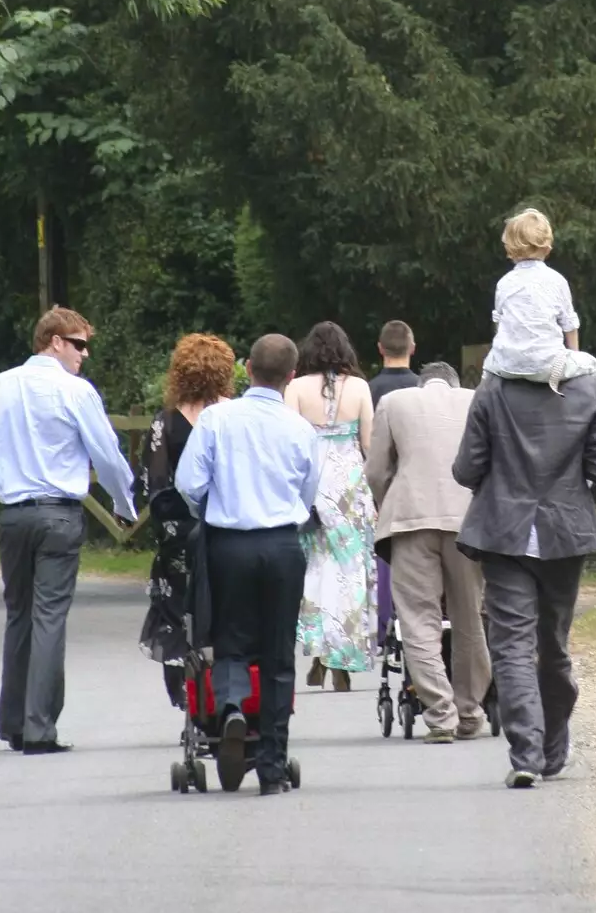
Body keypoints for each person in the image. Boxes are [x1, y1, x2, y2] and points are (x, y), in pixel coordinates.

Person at [0, 306, 136, 754]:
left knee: (19, 614)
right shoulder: (76, 392)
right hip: (60, 515)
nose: (84, 355)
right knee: (49, 618)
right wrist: (124, 505)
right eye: (78, 344)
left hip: (14, 518)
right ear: (54, 341)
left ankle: (12, 722)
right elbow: (108, 455)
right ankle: (40, 727)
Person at [453, 371, 596, 787]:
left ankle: (526, 756)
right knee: (553, 644)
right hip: (565, 530)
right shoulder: (584, 387)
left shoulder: (493, 387)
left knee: (512, 645)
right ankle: (554, 750)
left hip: (505, 531)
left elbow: (467, 468)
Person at [175, 333, 317, 794]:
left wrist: (212, 509)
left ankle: (231, 707)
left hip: (229, 544)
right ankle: (272, 767)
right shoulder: (300, 429)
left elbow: (188, 483)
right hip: (281, 545)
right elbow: (307, 495)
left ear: (247, 370)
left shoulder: (217, 419)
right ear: (291, 377)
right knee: (277, 654)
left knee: (230, 638)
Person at [365, 362, 491, 743]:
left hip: (411, 521)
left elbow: (375, 471)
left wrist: (390, 504)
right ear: (453, 384)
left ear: (422, 384)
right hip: (468, 521)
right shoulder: (478, 400)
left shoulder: (393, 402)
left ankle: (440, 714)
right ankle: (470, 710)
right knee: (470, 616)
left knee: (419, 618)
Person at [137, 333, 235, 707]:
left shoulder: (165, 423)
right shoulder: (231, 417)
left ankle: (186, 699)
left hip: (179, 533)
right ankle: (220, 695)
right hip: (224, 527)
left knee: (177, 613)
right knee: (222, 610)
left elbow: (154, 483)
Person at [287, 321, 377, 690]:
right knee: (350, 569)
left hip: (311, 481)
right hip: (349, 481)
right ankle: (343, 654)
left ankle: (320, 650)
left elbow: (289, 442)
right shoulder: (358, 387)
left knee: (314, 566)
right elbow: (369, 444)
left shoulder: (294, 388)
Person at [482, 207, 596, 392]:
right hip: (549, 367)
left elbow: (499, 327)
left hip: (508, 366)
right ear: (547, 246)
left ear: (510, 246)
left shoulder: (504, 283)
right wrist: (573, 356)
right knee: (592, 364)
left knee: (487, 368)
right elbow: (570, 325)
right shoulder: (557, 280)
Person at [368, 318, 419, 647]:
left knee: (382, 554)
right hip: (414, 481)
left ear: (380, 349)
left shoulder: (368, 390)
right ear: (412, 349)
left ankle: (383, 619)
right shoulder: (422, 387)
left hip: (381, 480)